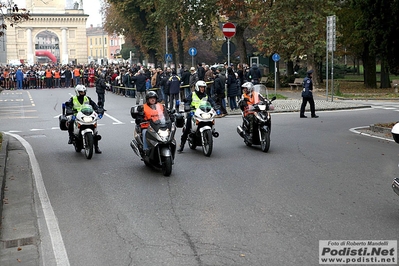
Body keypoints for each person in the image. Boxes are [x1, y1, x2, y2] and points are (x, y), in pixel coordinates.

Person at [178, 80, 216, 153]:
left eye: (203, 87)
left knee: (211, 119)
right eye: (201, 87)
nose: (202, 89)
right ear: (197, 87)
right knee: (187, 128)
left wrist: (215, 106)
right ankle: (182, 145)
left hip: (203, 113)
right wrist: (187, 106)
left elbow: (211, 102)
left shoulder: (206, 96)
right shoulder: (192, 94)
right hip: (194, 113)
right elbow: (188, 102)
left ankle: (212, 131)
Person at [65, 85, 103, 153]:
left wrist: (98, 109)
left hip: (87, 115)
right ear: (77, 92)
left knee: (95, 129)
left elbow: (94, 105)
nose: (83, 93)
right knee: (70, 122)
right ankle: (71, 137)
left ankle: (96, 147)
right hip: (76, 115)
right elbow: (69, 106)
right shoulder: (73, 99)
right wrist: (69, 110)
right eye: (81, 92)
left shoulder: (87, 98)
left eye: (84, 92)